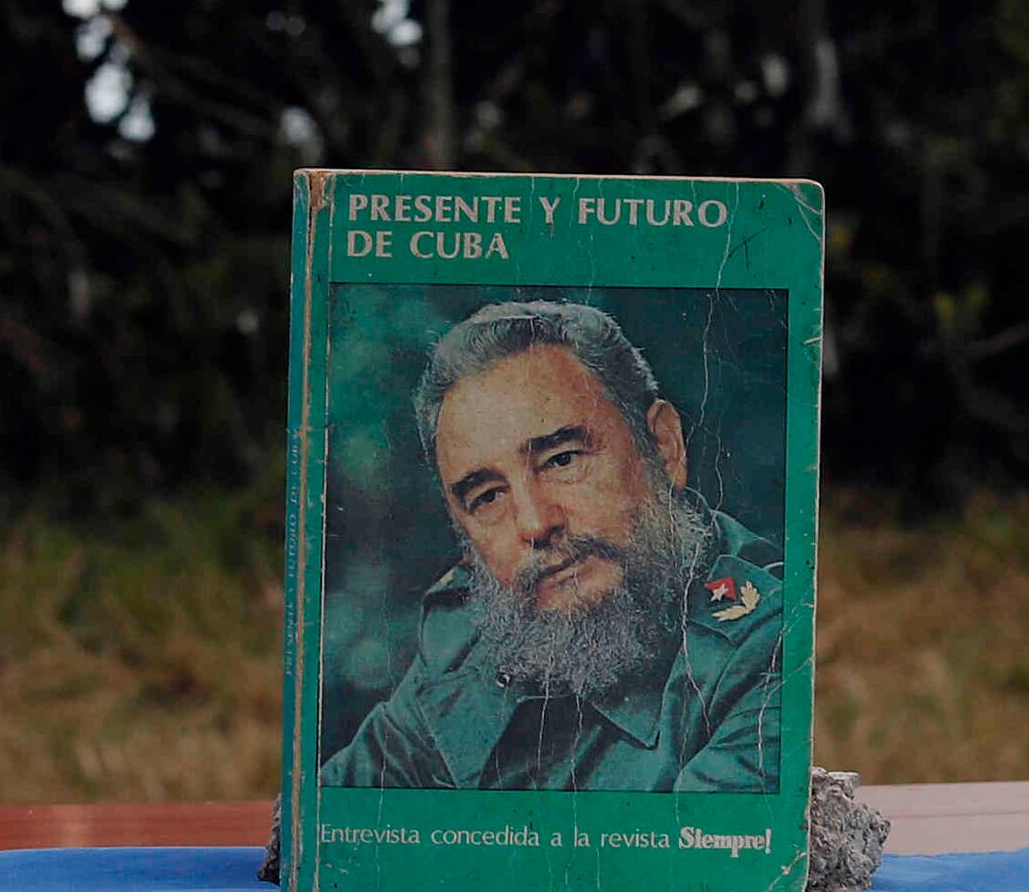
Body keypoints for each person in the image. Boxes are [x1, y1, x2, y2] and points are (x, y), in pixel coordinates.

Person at [315, 297, 783, 793]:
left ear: (664, 447)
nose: (536, 523)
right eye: (488, 496)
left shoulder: (764, 649)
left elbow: (692, 846)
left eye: (562, 460)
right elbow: (329, 817)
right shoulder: (469, 642)